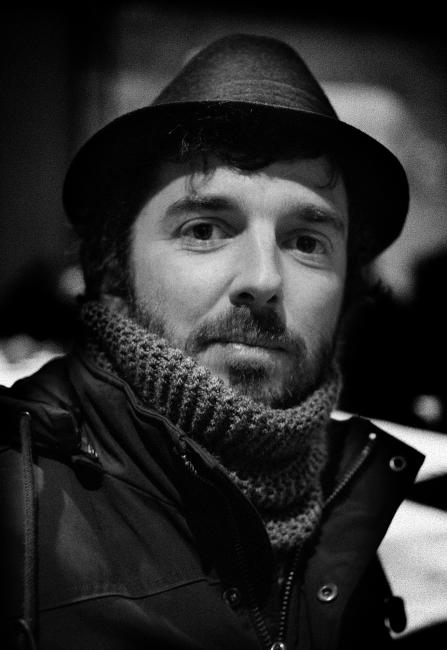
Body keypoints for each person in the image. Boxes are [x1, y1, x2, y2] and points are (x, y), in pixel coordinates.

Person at [0, 33, 424, 650]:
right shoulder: (16, 502)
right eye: (204, 229)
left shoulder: (345, 492)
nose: (263, 279)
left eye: (307, 241)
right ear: (114, 265)